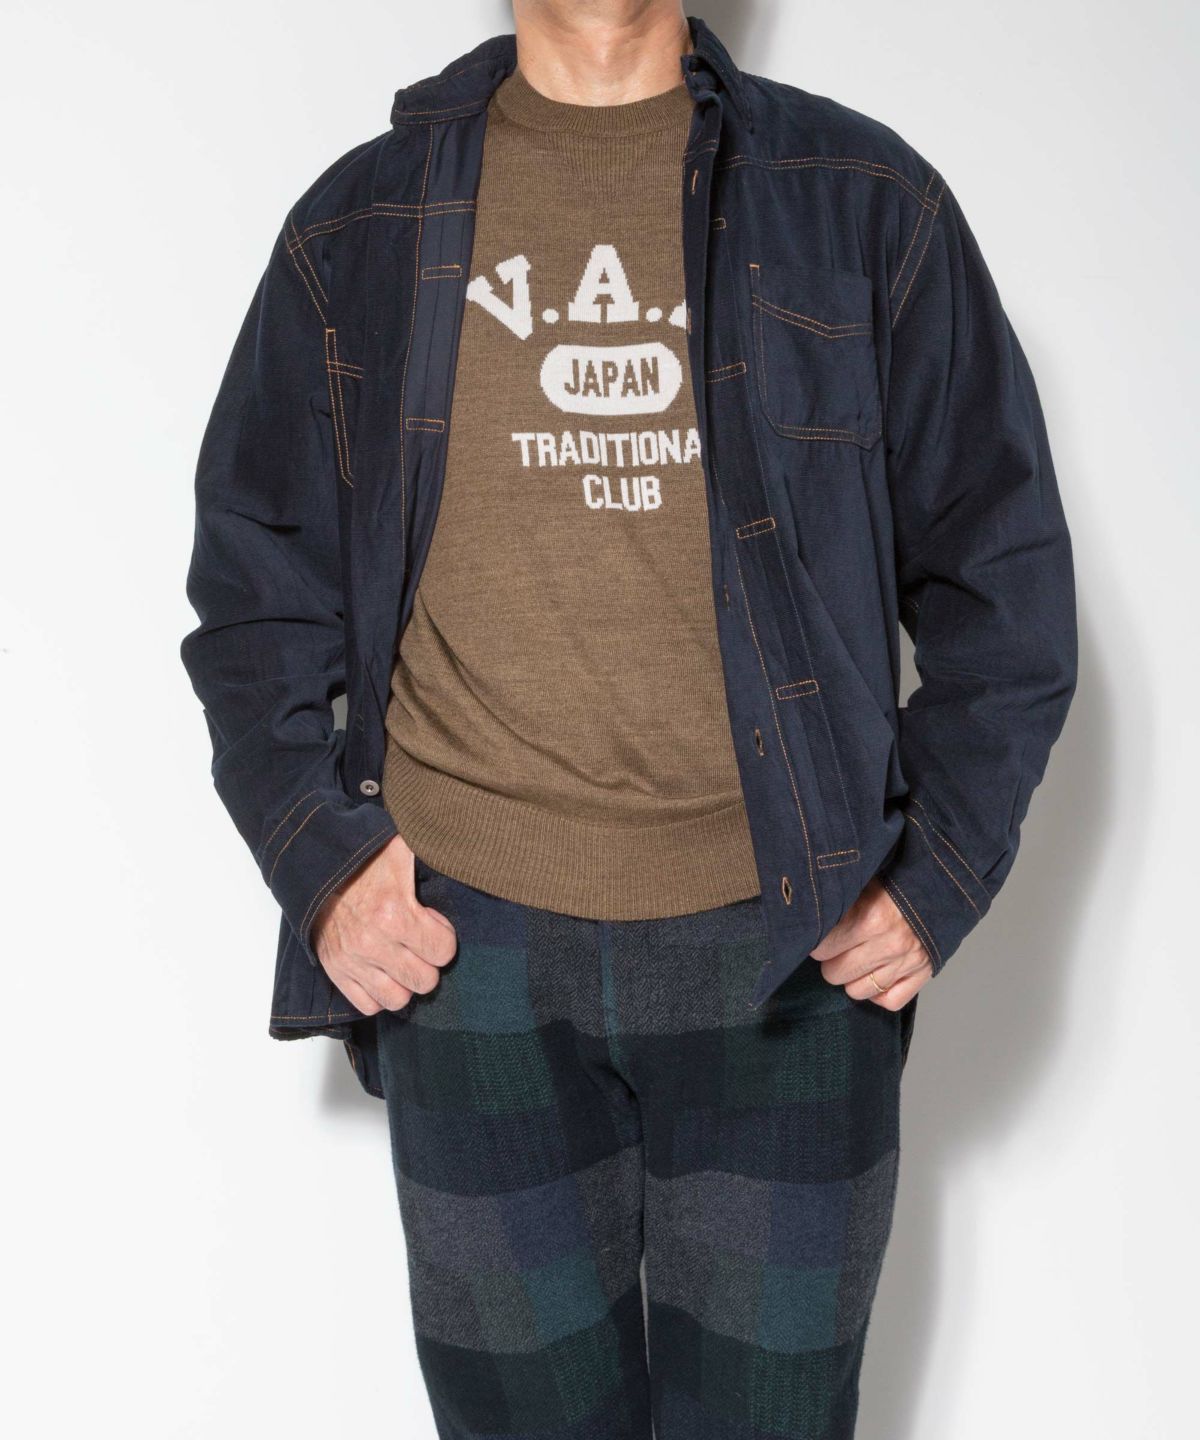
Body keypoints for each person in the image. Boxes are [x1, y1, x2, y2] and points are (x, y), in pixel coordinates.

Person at [180, 4, 1076, 1435]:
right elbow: (253, 591)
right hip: (472, 954)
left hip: (787, 953)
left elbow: (1003, 575)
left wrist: (940, 871)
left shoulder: (860, 201)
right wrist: (322, 859)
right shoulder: (360, 223)